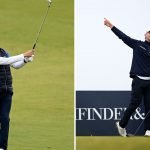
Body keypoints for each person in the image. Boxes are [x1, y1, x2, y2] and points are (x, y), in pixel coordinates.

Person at [104, 18, 150, 137]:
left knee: (149, 106)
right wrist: (111, 26)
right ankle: (122, 125)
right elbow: (123, 37)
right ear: (145, 35)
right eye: (148, 33)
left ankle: (148, 130)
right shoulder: (138, 44)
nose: (148, 34)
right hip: (138, 80)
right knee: (134, 104)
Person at [0, 48, 34, 150]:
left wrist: (25, 60)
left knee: (5, 119)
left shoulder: (3, 51)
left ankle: (2, 147)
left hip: (6, 92)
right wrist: (24, 55)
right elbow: (5, 61)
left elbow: (15, 65)